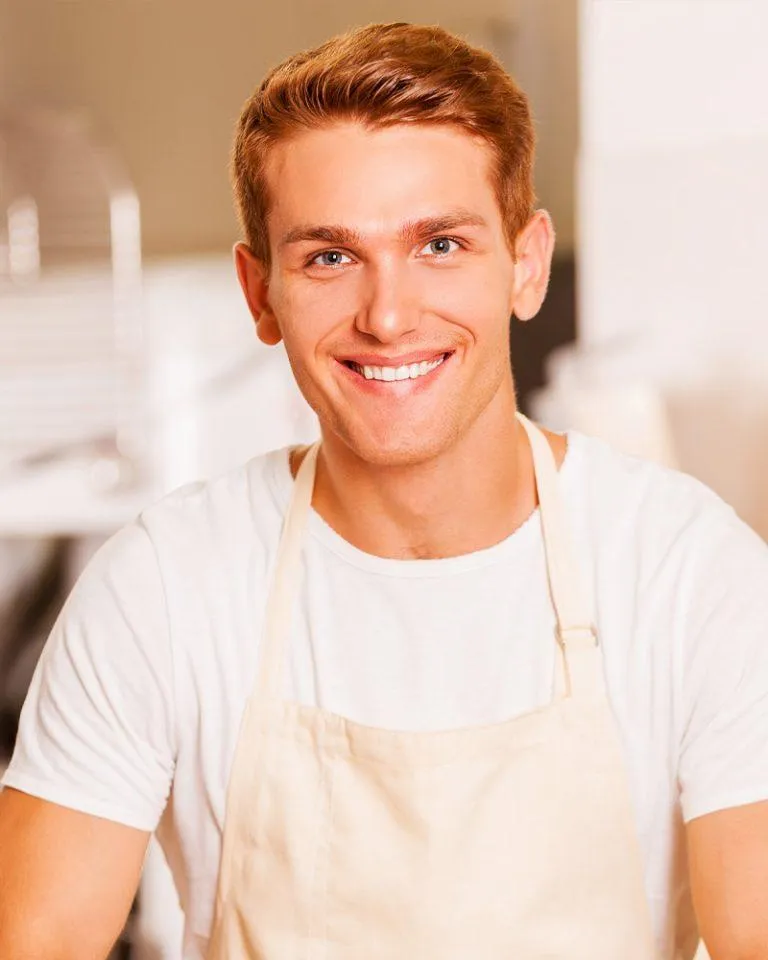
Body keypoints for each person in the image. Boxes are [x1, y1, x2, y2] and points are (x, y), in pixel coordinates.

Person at [1, 21, 767, 960]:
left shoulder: (690, 575)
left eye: (440, 244)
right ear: (260, 293)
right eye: (329, 257)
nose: (389, 316)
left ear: (526, 264)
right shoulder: (163, 587)